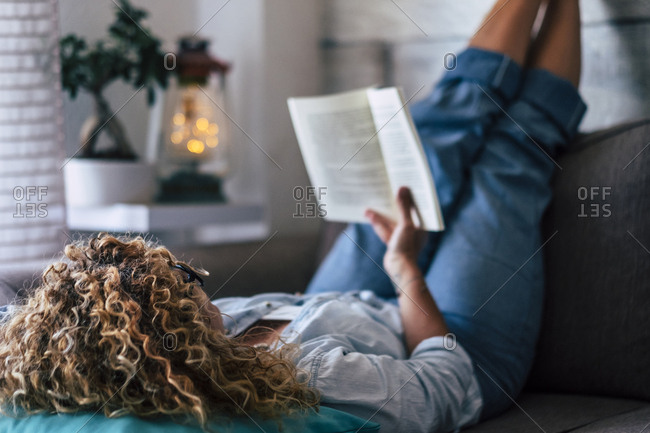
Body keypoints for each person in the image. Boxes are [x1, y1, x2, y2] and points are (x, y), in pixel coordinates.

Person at [0, 0, 586, 432]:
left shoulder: (188, 337)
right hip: (456, 346)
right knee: (510, 154)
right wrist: (403, 266)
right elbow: (443, 384)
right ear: (177, 334)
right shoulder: (310, 377)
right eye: (185, 284)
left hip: (331, 306)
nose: (200, 283)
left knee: (427, 141)